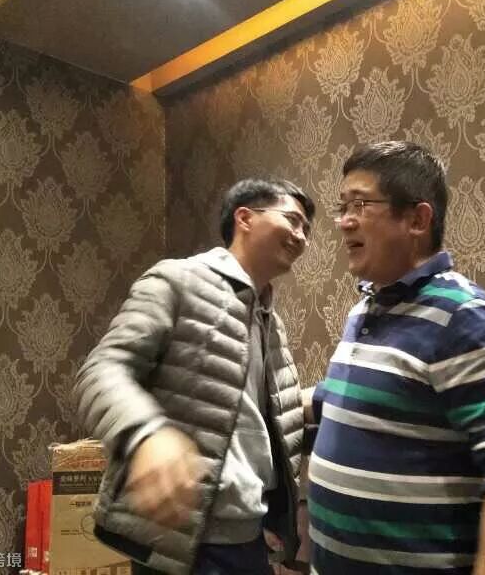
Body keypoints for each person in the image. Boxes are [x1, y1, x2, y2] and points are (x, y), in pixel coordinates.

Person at [308, 141, 485, 575]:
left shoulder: (466, 316)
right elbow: (349, 402)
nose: (344, 222)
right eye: (342, 206)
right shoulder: (364, 309)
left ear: (418, 219)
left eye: (360, 204)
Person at [73, 179, 315, 575]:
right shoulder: (177, 280)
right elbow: (102, 370)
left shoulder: (271, 319)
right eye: (292, 219)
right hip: (181, 540)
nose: (301, 236)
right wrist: (146, 435)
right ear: (245, 218)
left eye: (306, 228)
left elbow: (257, 414)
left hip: (250, 538)